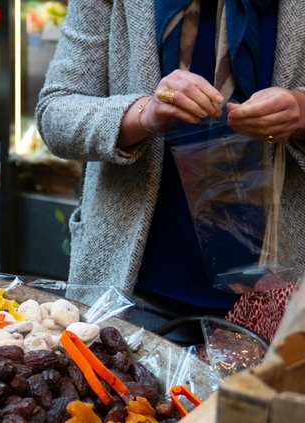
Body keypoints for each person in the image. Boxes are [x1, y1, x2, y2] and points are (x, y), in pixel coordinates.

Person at [35, 0, 305, 342]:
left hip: (286, 300)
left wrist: (300, 111)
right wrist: (143, 113)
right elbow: (56, 112)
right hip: (135, 292)